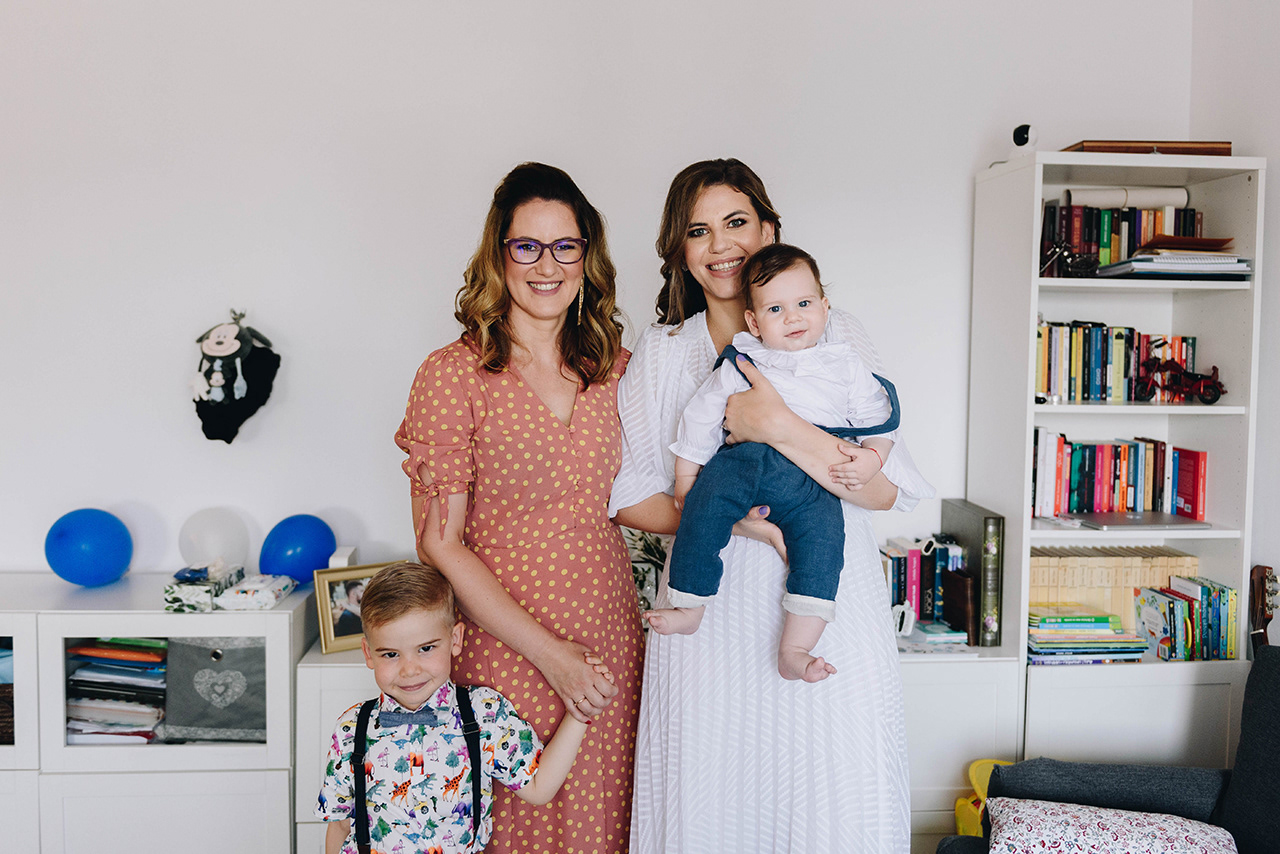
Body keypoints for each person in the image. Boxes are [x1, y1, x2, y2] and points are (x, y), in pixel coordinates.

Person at [610, 158, 933, 853]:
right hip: (709, 612)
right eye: (698, 230)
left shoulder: (836, 331)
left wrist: (778, 426)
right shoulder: (664, 352)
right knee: (711, 805)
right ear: (679, 250)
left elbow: (883, 489)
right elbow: (632, 498)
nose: (721, 244)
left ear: (769, 230)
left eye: (736, 222)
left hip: (828, 601)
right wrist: (750, 528)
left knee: (834, 800)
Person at [394, 162, 643, 854]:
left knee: (606, 825)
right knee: (516, 827)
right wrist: (551, 656)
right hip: (505, 648)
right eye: (526, 246)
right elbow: (439, 544)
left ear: (587, 258)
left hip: (609, 641)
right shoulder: (453, 374)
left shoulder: (615, 368)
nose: (546, 265)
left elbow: (643, 497)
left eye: (565, 246)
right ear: (498, 255)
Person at [648, 243, 900, 683]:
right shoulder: (743, 360)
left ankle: (796, 647)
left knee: (825, 544)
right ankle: (689, 605)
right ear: (754, 322)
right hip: (740, 464)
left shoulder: (845, 363)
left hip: (811, 481)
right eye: (776, 309)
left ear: (824, 308)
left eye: (804, 304)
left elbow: (879, 417)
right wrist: (686, 477)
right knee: (701, 510)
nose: (793, 318)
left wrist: (874, 456)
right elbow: (702, 415)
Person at [315, 561, 599, 854]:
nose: (410, 670)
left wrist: (582, 710)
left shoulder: (483, 713)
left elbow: (539, 786)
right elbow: (340, 825)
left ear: (455, 639)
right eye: (390, 654)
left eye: (426, 648)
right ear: (368, 653)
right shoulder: (351, 728)